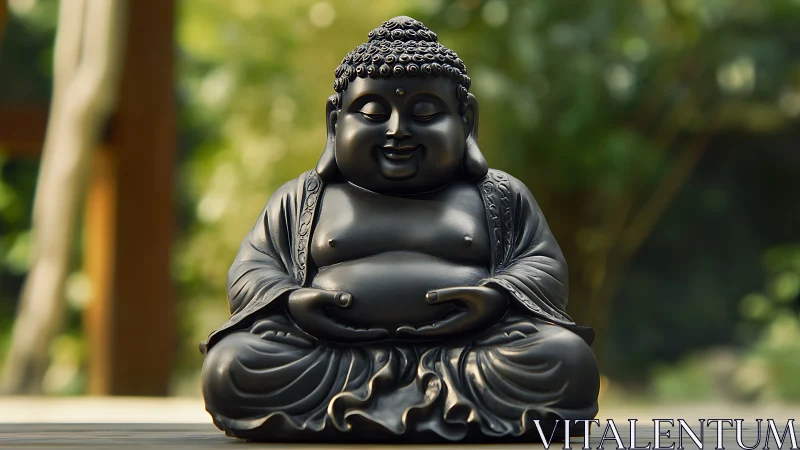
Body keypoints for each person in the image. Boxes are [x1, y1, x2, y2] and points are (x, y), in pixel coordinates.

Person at [200, 16, 599, 442]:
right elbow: (252, 269)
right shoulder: (303, 197)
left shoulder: (499, 195)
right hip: (334, 357)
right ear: (335, 123)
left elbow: (542, 266)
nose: (397, 131)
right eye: (372, 112)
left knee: (567, 360)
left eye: (425, 113)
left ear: (466, 120)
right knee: (231, 366)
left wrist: (496, 298)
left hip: (465, 354)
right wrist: (292, 300)